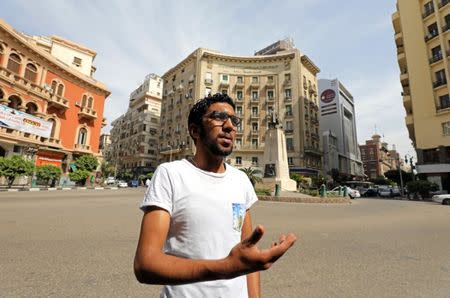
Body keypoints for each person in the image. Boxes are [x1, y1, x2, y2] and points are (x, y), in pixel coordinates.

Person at [134, 93, 297, 297]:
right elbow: (145, 265)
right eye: (219, 117)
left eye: (234, 120)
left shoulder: (241, 181)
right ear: (195, 130)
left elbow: (248, 254)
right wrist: (225, 268)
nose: (230, 126)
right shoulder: (170, 174)